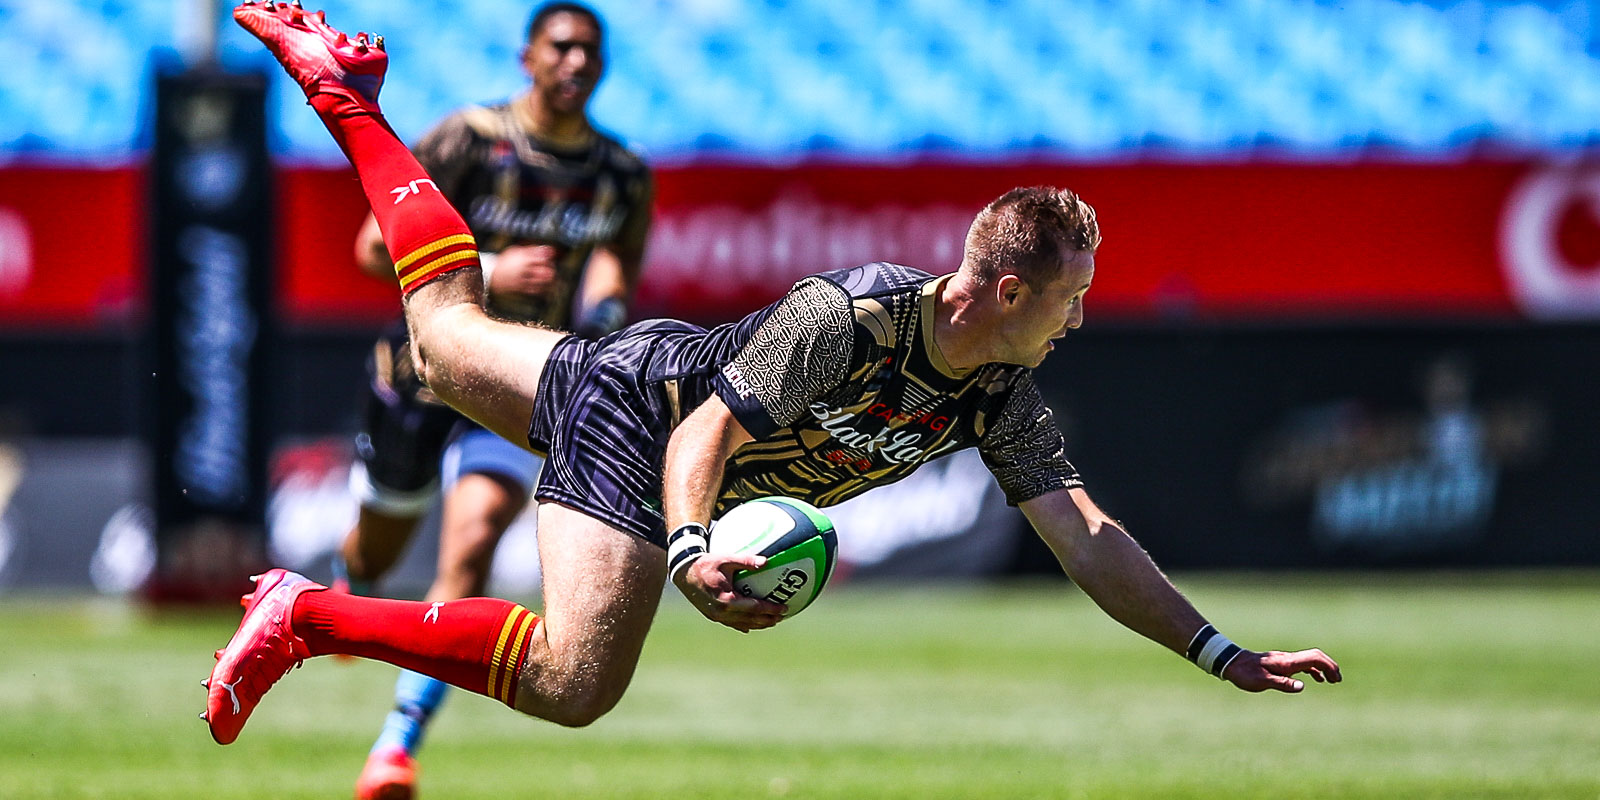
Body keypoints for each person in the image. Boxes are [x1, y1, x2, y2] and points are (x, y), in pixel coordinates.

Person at [207, 0, 1341, 754]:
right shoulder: (847, 316)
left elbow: (1084, 535)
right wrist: (693, 551)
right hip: (645, 419)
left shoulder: (996, 391)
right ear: (1003, 289)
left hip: (623, 372)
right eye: (1069, 295)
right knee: (577, 679)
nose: (1081, 315)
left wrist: (1217, 650)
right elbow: (703, 434)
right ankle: (306, 614)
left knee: (443, 336)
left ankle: (344, 93)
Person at [327, 2, 651, 796]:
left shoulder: (621, 173)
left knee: (469, 548)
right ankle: (346, 581)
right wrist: (487, 273)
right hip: (424, 370)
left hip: (524, 383)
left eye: (589, 52)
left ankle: (396, 744)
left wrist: (604, 326)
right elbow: (374, 246)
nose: (575, 63)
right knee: (379, 550)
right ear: (528, 57)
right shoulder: (470, 139)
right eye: (561, 48)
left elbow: (613, 262)